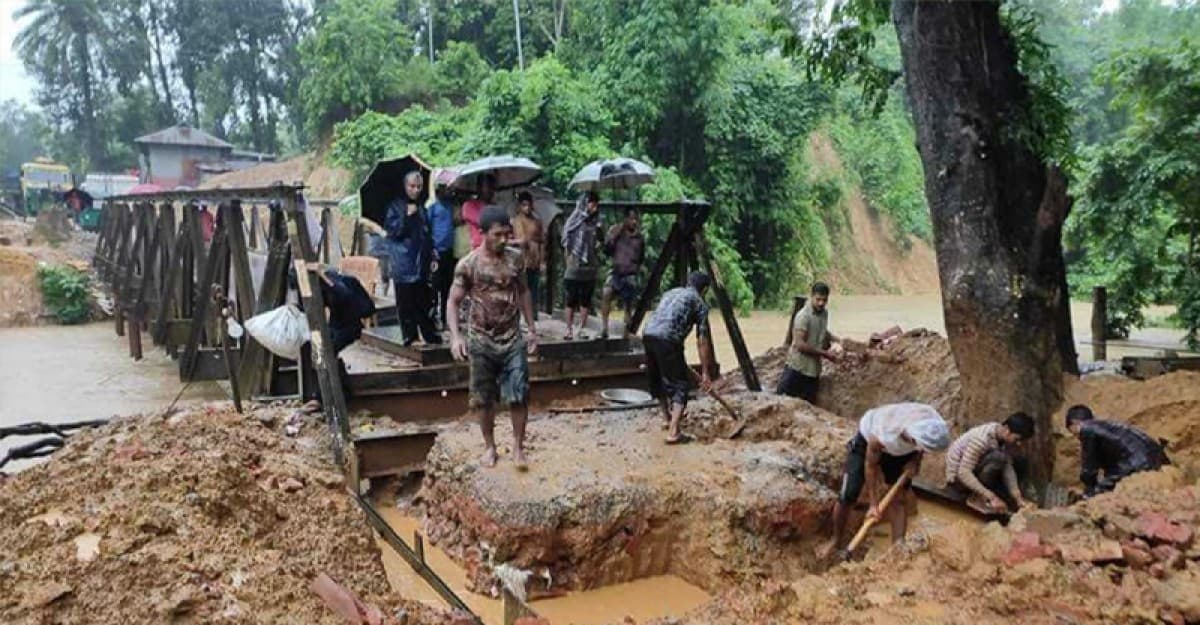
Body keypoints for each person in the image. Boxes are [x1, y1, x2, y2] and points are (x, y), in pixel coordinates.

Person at [447, 206, 539, 469]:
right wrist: (456, 337)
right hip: (481, 340)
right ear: (482, 233)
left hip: (512, 338)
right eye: (497, 234)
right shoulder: (468, 265)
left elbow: (524, 292)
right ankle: (490, 447)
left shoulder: (515, 259)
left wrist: (532, 329)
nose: (503, 240)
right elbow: (453, 302)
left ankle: (518, 447)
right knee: (484, 398)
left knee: (519, 394)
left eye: (507, 234)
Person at [822, 402, 950, 557]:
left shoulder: (933, 422)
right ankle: (835, 540)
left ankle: (898, 550)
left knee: (899, 499)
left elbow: (923, 447)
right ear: (913, 439)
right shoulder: (885, 434)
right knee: (848, 494)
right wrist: (873, 504)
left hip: (903, 448)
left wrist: (915, 461)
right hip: (868, 440)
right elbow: (870, 466)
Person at [642, 272, 717, 445]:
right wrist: (705, 373)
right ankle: (674, 431)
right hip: (669, 340)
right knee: (681, 385)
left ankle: (667, 418)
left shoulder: (670, 292)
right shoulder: (700, 304)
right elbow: (702, 340)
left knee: (657, 379)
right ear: (704, 290)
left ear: (689, 282)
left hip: (648, 334)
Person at [296, 265, 376, 412]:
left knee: (327, 351)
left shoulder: (343, 283)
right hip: (335, 327)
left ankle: (323, 397)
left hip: (350, 327)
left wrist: (324, 277)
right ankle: (328, 393)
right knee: (317, 350)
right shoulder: (325, 287)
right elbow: (311, 305)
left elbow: (343, 295)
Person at [384, 171, 441, 346]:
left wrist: (432, 254)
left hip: (420, 261)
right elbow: (393, 232)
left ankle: (429, 334)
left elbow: (426, 233)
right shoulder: (395, 207)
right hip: (403, 262)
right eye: (412, 186)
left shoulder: (422, 206)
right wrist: (406, 216)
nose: (416, 190)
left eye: (419, 187)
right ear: (405, 186)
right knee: (406, 302)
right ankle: (410, 336)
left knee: (424, 300)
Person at [1066, 405, 1169, 497]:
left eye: (1074, 433)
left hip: (1138, 464)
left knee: (1101, 492)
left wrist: (1089, 489)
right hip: (1156, 459)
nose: (1077, 437)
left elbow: (1089, 466)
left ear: (1075, 423)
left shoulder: (1086, 429)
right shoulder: (1110, 428)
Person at [944, 413, 1035, 513]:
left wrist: (1018, 497)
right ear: (1007, 429)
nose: (1019, 443)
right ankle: (975, 498)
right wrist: (991, 497)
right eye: (1017, 439)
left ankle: (982, 496)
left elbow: (1007, 465)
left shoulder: (1000, 434)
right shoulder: (981, 439)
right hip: (957, 479)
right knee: (998, 458)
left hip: (973, 469)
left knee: (1009, 460)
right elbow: (963, 472)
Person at [777, 282, 841, 404]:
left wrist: (837, 340)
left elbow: (821, 330)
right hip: (797, 369)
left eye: (824, 300)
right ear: (811, 296)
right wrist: (825, 354)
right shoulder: (803, 316)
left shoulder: (824, 313)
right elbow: (800, 344)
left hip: (813, 371)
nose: (821, 303)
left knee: (809, 408)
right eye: (818, 299)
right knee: (782, 403)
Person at [561, 191, 601, 339]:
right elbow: (566, 237)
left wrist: (599, 239)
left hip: (589, 265)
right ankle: (568, 329)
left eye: (596, 204)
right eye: (591, 203)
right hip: (574, 263)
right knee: (570, 299)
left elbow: (600, 241)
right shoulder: (575, 218)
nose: (594, 207)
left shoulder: (596, 222)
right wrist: (568, 258)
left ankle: (582, 328)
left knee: (586, 299)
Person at [600, 208, 645, 339]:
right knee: (606, 293)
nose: (634, 222)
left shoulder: (639, 238)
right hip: (616, 273)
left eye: (636, 219)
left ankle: (626, 333)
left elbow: (641, 258)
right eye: (631, 219)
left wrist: (635, 268)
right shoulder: (617, 232)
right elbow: (607, 250)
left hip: (630, 274)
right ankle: (604, 327)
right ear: (625, 219)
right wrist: (613, 236)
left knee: (628, 304)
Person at [511, 191, 545, 314]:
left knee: (533, 286)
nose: (527, 208)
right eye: (524, 205)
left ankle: (533, 312)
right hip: (520, 256)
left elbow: (542, 242)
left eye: (529, 205)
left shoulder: (537, 221)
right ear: (520, 206)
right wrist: (518, 241)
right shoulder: (514, 221)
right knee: (520, 286)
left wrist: (543, 261)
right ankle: (520, 312)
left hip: (534, 256)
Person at [428, 180, 456, 327]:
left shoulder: (451, 207)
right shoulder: (433, 208)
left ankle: (445, 318)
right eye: (443, 189)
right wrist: (431, 249)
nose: (446, 192)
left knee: (448, 287)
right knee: (435, 287)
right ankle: (433, 317)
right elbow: (427, 230)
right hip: (436, 252)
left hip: (449, 252)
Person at [460, 174, 496, 249]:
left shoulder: (494, 206)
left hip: (494, 246)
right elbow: (483, 222)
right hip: (477, 247)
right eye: (487, 186)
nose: (490, 190)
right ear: (478, 188)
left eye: (492, 187)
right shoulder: (469, 205)